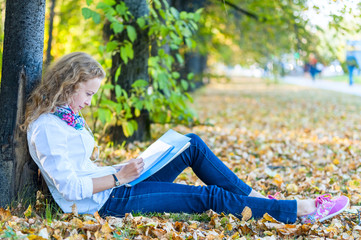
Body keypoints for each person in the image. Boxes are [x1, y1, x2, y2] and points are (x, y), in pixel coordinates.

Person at [22, 52, 349, 225]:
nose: (90, 102)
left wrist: (126, 167)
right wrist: (118, 176)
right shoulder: (48, 127)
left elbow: (82, 167)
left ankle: (263, 200)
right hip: (105, 203)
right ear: (69, 84)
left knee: (190, 143)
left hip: (114, 184)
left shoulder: (67, 116)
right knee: (208, 197)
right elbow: (69, 188)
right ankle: (298, 210)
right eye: (88, 93)